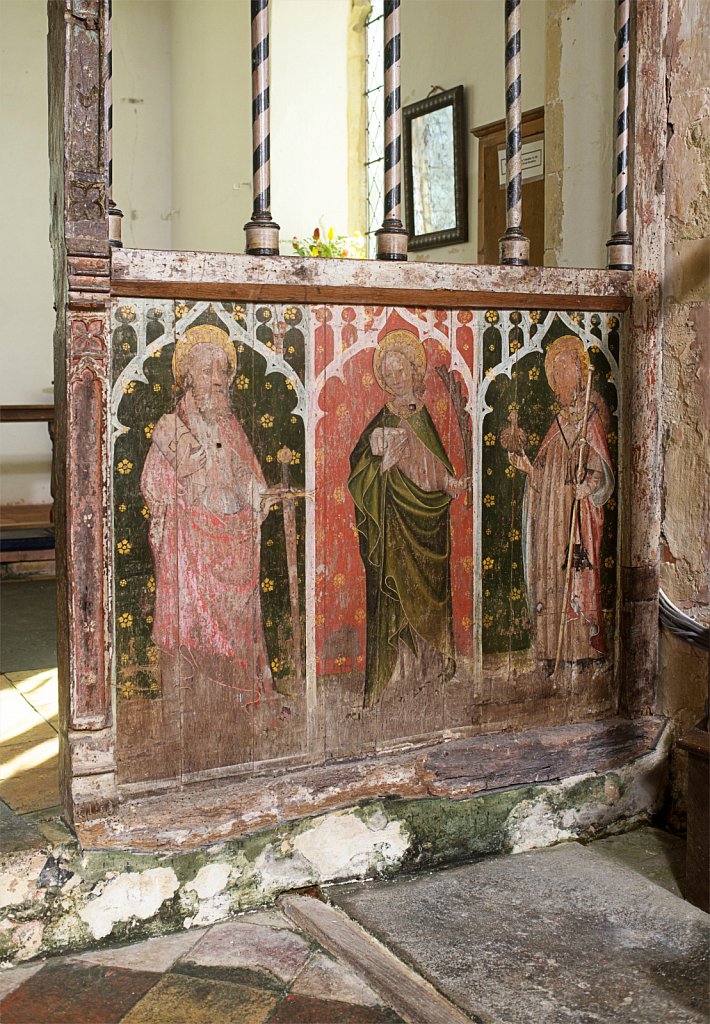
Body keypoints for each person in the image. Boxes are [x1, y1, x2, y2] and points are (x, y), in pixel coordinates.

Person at [141, 324, 275, 724]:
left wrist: (258, 494)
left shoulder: (230, 426)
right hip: (190, 546)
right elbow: (152, 483)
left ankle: (232, 706)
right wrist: (180, 481)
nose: (216, 379)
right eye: (206, 370)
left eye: (222, 371)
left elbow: (249, 476)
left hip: (234, 542)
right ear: (187, 377)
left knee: (236, 625)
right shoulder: (171, 426)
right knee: (188, 626)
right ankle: (191, 711)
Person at [348, 325, 467, 708]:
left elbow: (434, 465)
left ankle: (431, 668)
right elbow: (359, 470)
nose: (397, 377)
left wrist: (450, 483)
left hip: (428, 522)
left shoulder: (425, 417)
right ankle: (399, 674)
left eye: (402, 370)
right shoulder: (381, 421)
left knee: (429, 596)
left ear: (416, 372)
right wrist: (382, 465)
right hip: (395, 523)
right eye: (390, 372)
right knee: (397, 594)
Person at [508, 334, 614, 665]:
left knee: (577, 573)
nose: (563, 374)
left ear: (581, 371)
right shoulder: (557, 424)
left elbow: (601, 468)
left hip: (577, 517)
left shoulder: (591, 417)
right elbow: (545, 475)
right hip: (553, 519)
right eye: (557, 370)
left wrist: (588, 486)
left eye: (568, 366)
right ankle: (552, 649)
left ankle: (581, 650)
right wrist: (529, 469)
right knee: (553, 576)